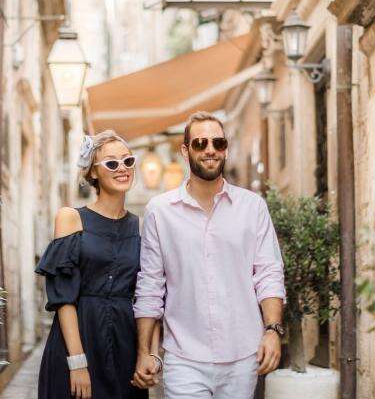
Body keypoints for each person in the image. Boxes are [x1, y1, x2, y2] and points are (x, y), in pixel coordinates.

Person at [132, 111, 287, 399]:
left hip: (243, 355)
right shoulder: (159, 212)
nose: (210, 150)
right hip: (184, 357)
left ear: (226, 148)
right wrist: (144, 352)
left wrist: (272, 330)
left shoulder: (253, 207)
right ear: (185, 150)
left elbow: (269, 273)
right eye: (200, 143)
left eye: (218, 143)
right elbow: (150, 286)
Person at [35, 130, 160, 399]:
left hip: (125, 345)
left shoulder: (140, 225)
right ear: (93, 172)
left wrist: (150, 354)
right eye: (111, 163)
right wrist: (77, 362)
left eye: (128, 161)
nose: (122, 168)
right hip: (78, 341)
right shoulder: (70, 218)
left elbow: (150, 295)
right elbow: (64, 298)